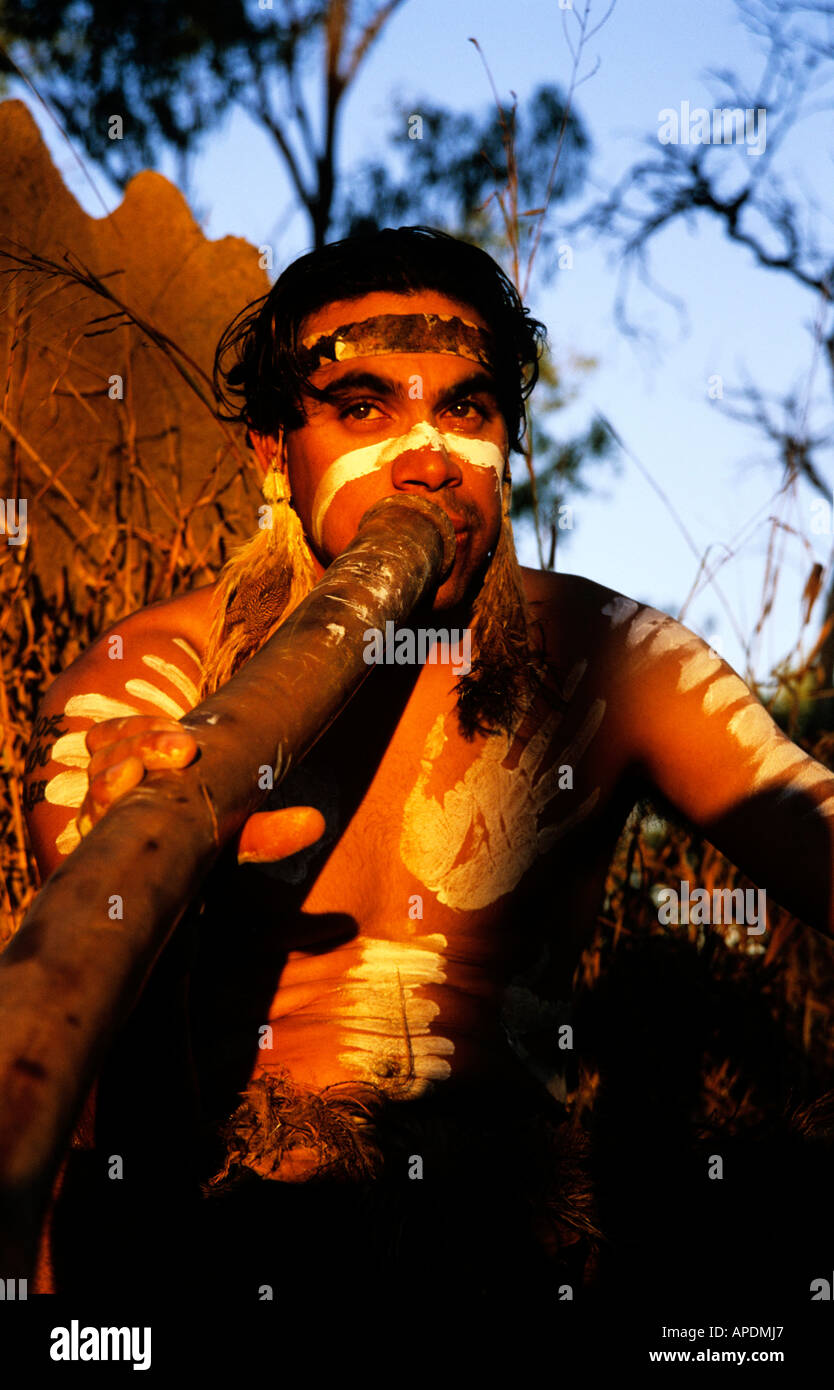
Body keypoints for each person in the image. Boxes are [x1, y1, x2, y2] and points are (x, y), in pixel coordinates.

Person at [22, 227, 834, 1313]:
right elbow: (87, 991)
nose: (427, 456)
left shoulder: (620, 662)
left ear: (509, 442)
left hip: (492, 1252)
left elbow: (809, 826)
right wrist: (147, 821)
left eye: (467, 408)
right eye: (361, 408)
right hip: (207, 1236)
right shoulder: (148, 671)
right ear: (271, 454)